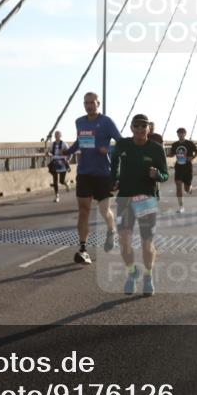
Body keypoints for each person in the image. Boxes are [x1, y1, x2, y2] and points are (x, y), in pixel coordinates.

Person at [111, 114, 168, 295]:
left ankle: (148, 276)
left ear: (149, 128)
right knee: (124, 241)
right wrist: (114, 179)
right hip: (125, 199)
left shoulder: (156, 149)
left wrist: (157, 175)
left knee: (146, 243)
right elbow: (114, 163)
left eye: (144, 126)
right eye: (137, 126)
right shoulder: (123, 145)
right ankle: (131, 273)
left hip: (147, 199)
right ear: (131, 128)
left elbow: (165, 175)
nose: (140, 129)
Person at [65, 92, 122, 265]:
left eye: (92, 102)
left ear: (98, 103)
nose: (89, 105)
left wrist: (109, 150)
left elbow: (121, 143)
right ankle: (83, 249)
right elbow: (80, 142)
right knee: (83, 211)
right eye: (86, 103)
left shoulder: (106, 122)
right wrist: (67, 151)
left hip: (103, 174)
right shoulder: (79, 122)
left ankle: (111, 231)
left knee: (104, 211)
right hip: (84, 173)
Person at [168, 127, 197, 212]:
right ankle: (181, 207)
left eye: (182, 133)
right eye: (179, 133)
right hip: (178, 167)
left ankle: (190, 188)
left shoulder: (189, 143)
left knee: (186, 189)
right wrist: (167, 154)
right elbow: (172, 154)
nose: (180, 134)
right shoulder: (175, 144)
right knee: (178, 186)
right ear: (177, 134)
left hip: (188, 167)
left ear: (185, 134)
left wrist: (192, 158)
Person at [48, 130, 71, 202]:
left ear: (60, 136)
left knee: (61, 181)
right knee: (55, 180)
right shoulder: (52, 144)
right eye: (55, 135)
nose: (56, 136)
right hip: (55, 162)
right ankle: (57, 196)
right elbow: (50, 152)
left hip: (62, 163)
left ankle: (66, 183)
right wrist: (48, 153)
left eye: (58, 134)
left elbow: (70, 152)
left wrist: (68, 160)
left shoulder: (64, 144)